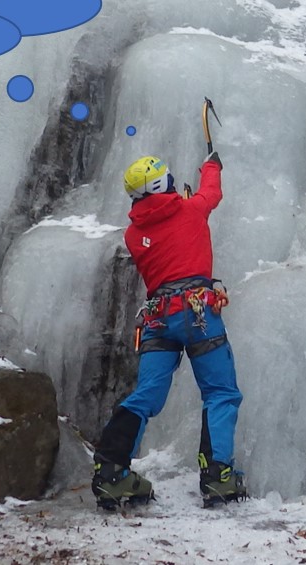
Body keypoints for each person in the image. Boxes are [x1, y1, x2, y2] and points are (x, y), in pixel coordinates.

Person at [91, 151, 248, 509]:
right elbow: (211, 194)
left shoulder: (133, 235)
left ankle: (111, 470)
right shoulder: (191, 209)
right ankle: (217, 475)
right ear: (163, 182)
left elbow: (163, 233)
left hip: (158, 321)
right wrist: (212, 164)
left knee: (146, 397)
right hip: (198, 316)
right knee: (221, 392)